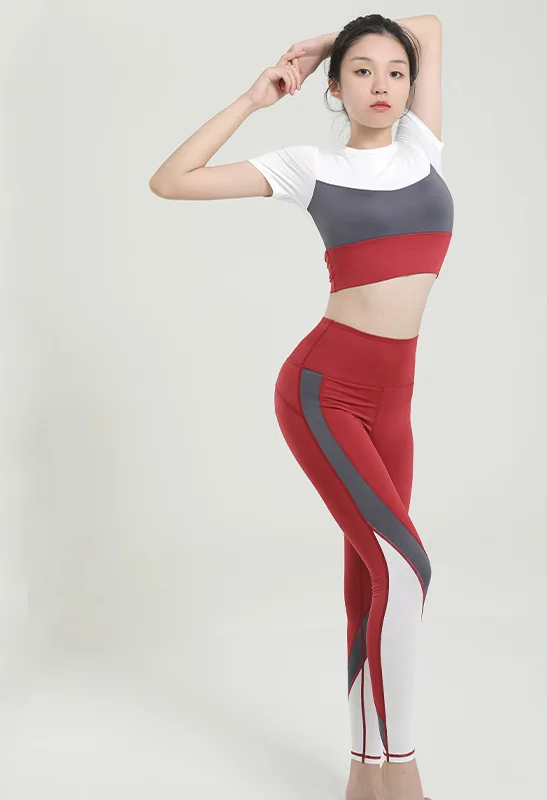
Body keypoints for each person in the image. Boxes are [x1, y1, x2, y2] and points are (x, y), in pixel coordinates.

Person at [149, 14, 452, 800]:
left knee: (372, 581)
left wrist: (329, 41)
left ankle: (362, 778)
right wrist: (256, 96)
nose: (382, 84)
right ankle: (403, 774)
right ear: (335, 90)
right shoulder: (309, 166)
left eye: (395, 72)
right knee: (407, 571)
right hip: (325, 392)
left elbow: (427, 24)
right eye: (361, 71)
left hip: (394, 403)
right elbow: (172, 179)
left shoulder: (422, 148)